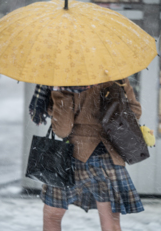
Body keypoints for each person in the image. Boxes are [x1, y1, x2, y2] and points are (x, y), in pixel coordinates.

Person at [30, 78, 144, 231]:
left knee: (52, 217)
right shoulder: (116, 74)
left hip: (72, 159)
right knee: (111, 224)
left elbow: (62, 129)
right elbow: (135, 112)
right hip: (109, 158)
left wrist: (58, 93)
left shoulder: (65, 77)